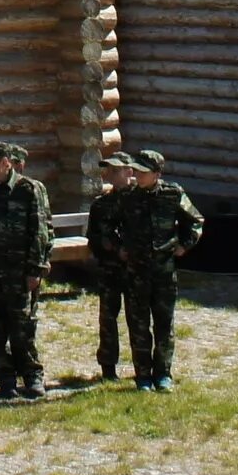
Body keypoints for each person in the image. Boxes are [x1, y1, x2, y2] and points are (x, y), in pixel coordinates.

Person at [0, 140, 53, 399]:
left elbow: (40, 231)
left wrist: (36, 269)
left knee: (23, 327)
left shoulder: (29, 189)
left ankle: (32, 376)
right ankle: (5, 379)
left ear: (5, 163)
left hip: (20, 273)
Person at [117, 150, 204, 392]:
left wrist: (184, 245)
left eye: (143, 172)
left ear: (157, 174)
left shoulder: (173, 194)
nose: (137, 175)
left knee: (164, 324)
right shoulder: (127, 197)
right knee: (138, 325)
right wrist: (118, 247)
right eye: (136, 170)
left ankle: (163, 374)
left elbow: (195, 221)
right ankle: (143, 376)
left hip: (163, 271)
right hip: (136, 272)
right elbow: (108, 223)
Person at [85, 151, 137, 384]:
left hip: (137, 270)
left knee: (138, 320)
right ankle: (108, 367)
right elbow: (92, 238)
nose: (111, 175)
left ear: (130, 171)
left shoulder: (141, 201)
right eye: (108, 170)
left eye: (116, 170)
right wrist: (108, 248)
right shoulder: (101, 204)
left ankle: (142, 367)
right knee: (108, 318)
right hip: (110, 269)